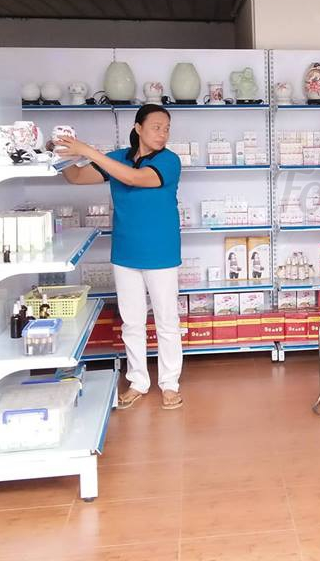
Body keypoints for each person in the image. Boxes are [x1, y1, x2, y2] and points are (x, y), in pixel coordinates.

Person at [56, 104, 184, 410]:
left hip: (161, 252)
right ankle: (138, 381)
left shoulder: (169, 161)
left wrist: (88, 150)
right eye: (156, 127)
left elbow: (135, 178)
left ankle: (169, 384)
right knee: (132, 322)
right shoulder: (118, 158)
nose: (163, 133)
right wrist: (62, 154)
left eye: (166, 128)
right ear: (138, 128)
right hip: (125, 251)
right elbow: (77, 178)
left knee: (167, 321)